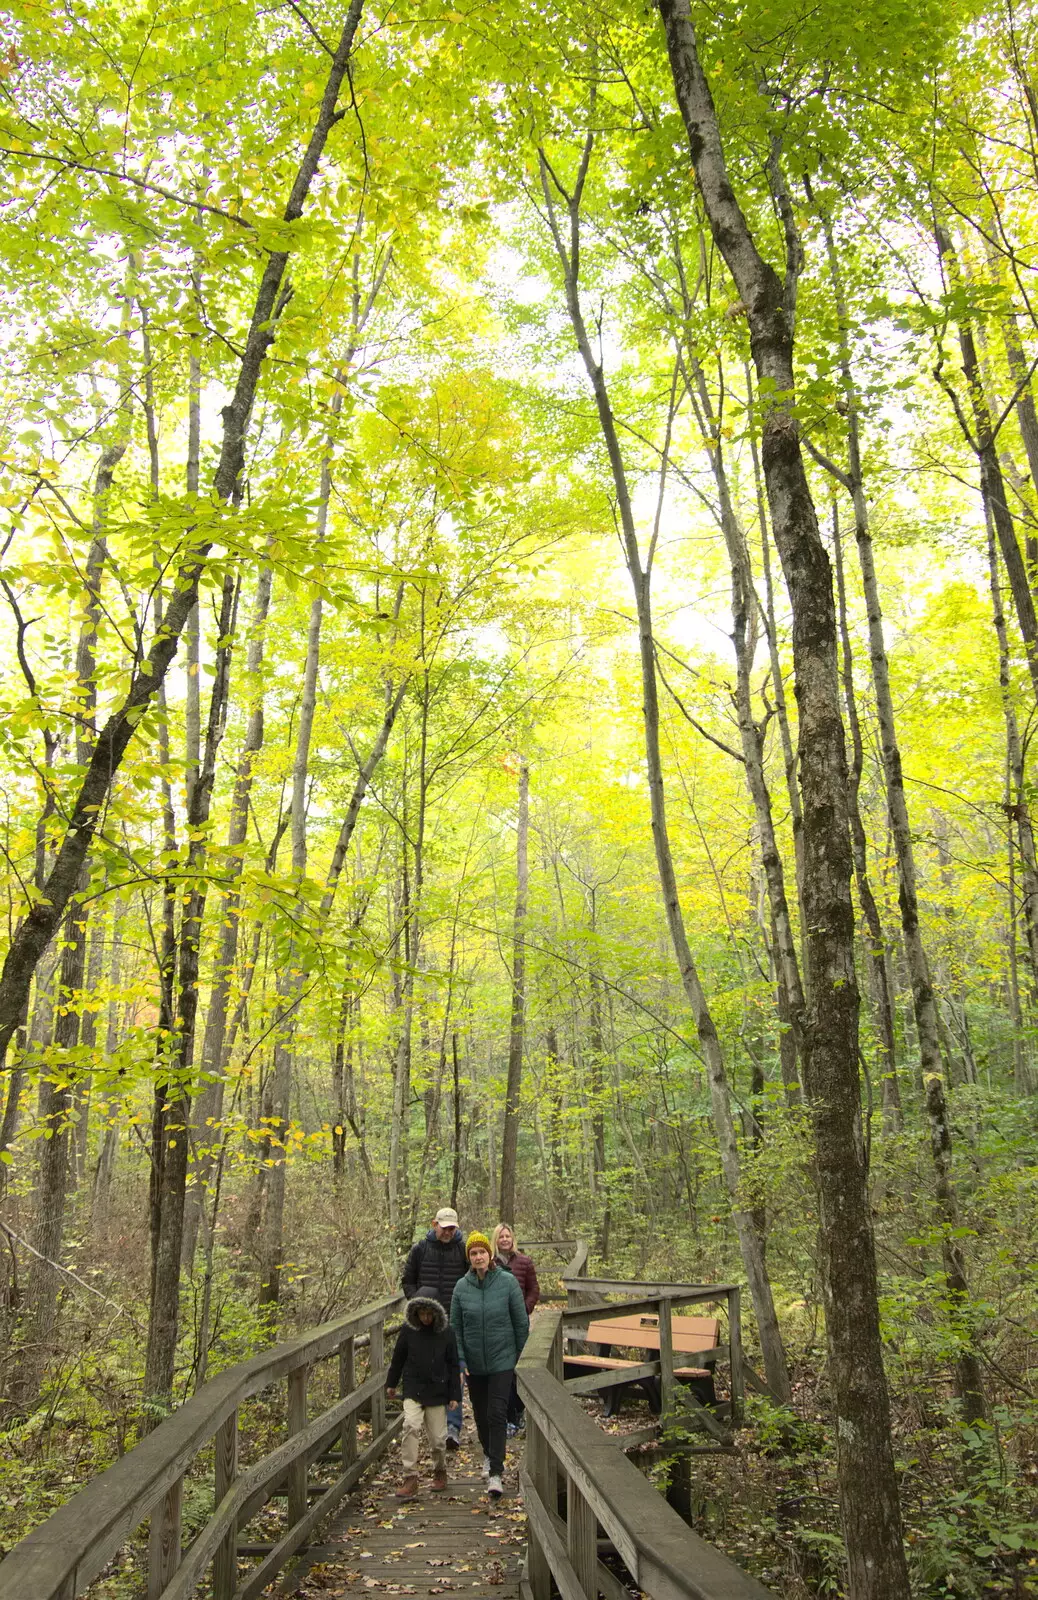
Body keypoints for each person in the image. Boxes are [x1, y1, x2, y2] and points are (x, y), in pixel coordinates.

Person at [450, 1231, 529, 1501]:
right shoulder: (461, 1287)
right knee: (482, 1416)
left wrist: (521, 1356)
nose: (478, 1256)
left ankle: (496, 1471)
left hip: (502, 1359)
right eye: (473, 1253)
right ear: (469, 1258)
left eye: (482, 1252)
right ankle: (488, 1453)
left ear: (490, 1254)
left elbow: (520, 1322)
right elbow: (456, 1328)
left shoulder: (507, 1283)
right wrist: (460, 1360)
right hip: (474, 1364)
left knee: (496, 1413)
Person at [401, 1205, 469, 1448]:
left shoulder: (463, 1249)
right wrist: (418, 1304)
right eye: (445, 1227)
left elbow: (471, 1278)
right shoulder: (420, 1249)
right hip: (425, 1322)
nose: (448, 1232)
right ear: (434, 1225)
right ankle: (428, 1424)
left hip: (452, 1319)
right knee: (426, 1368)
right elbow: (407, 1280)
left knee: (455, 1369)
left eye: (452, 1228)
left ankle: (452, 1427)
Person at [385, 1295, 462, 1500]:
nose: (426, 1318)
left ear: (436, 1314)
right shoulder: (409, 1331)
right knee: (410, 1425)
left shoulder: (446, 1332)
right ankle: (410, 1477)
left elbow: (454, 1364)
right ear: (416, 1313)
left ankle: (439, 1471)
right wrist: (391, 1383)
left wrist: (455, 1394)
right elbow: (398, 1358)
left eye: (429, 1314)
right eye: (422, 1314)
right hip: (414, 1388)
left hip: (438, 1390)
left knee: (437, 1439)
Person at [490, 1223, 539, 1435]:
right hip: (497, 1325)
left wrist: (525, 1308)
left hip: (518, 1323)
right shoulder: (489, 1262)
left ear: (513, 1239)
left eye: (508, 1236)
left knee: (519, 1368)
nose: (504, 1240)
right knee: (503, 1370)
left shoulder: (524, 1261)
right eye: (501, 1236)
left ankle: (519, 1412)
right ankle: (510, 1417)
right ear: (495, 1239)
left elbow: (533, 1289)